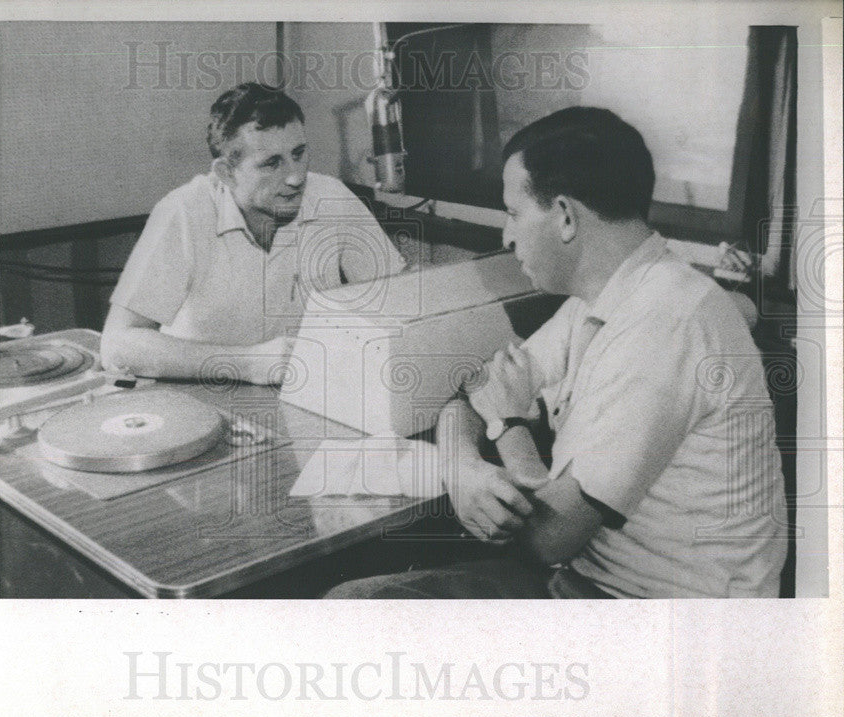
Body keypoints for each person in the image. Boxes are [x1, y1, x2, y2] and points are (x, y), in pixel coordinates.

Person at [326, 106, 787, 599]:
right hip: (590, 583)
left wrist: (508, 427)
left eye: (513, 213)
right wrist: (462, 469)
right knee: (361, 601)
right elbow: (479, 386)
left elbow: (547, 537)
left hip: (668, 625)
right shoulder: (598, 302)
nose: (507, 236)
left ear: (565, 217)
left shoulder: (669, 322)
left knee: (351, 605)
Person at [101, 82, 406, 384]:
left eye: (298, 154)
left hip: (299, 396)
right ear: (226, 173)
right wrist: (248, 363)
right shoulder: (183, 211)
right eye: (272, 163)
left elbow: (398, 302)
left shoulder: (330, 197)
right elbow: (118, 345)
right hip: (198, 398)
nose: (296, 177)